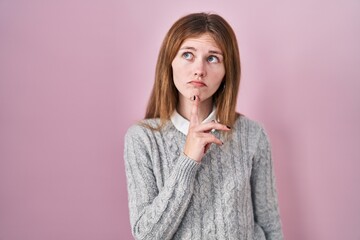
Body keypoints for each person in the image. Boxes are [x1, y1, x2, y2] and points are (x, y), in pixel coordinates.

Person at [124, 12, 283, 240]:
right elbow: (147, 236)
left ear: (227, 71)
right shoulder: (142, 138)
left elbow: (271, 228)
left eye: (212, 58)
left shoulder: (252, 134)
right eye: (188, 55)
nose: (199, 69)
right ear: (169, 63)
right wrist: (188, 160)